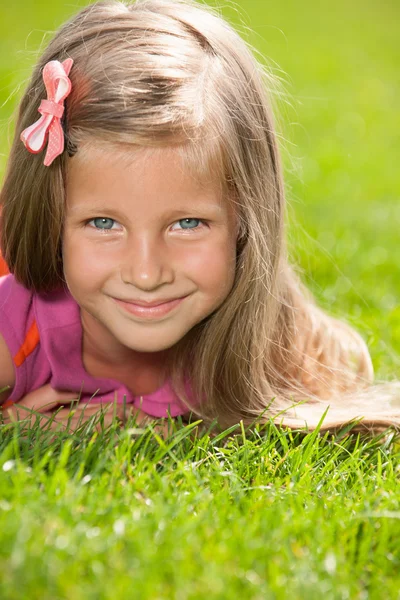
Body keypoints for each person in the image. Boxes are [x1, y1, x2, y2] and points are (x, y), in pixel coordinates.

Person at [1, 0, 399, 437]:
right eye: (103, 223)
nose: (147, 272)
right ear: (51, 217)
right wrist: (12, 425)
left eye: (186, 224)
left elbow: (348, 362)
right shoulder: (18, 330)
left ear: (246, 219)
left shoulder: (277, 341)